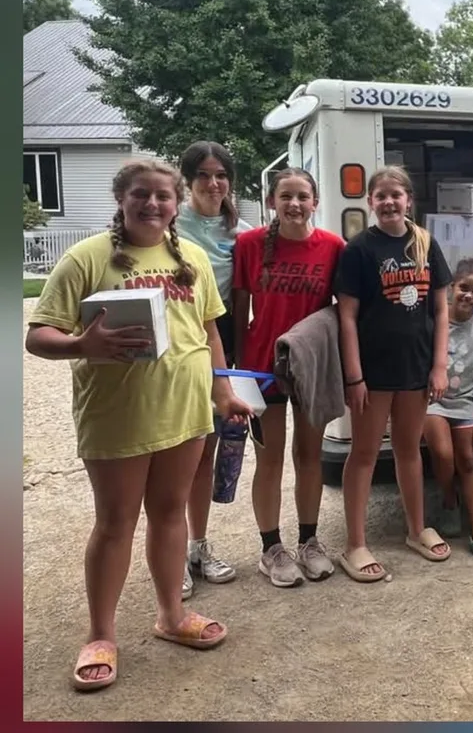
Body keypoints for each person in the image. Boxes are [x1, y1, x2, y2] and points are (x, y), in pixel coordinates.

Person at [25, 159, 252, 692]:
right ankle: (100, 634)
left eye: (162, 196)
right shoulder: (87, 258)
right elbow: (37, 335)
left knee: (171, 513)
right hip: (118, 417)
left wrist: (223, 389)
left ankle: (171, 616)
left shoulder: (190, 257)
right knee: (115, 523)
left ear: (177, 203)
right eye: (141, 195)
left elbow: (209, 332)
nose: (152, 204)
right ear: (121, 199)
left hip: (185, 410)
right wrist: (82, 344)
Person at [335, 165, 453, 582]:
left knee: (408, 450)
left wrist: (439, 365)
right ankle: (354, 544)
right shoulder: (358, 250)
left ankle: (416, 528)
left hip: (416, 368)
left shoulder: (425, 244)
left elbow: (440, 310)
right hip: (372, 371)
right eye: (380, 196)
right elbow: (346, 317)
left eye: (395, 195)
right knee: (365, 454)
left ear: (408, 200)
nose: (388, 202)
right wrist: (354, 376)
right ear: (370, 202)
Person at [232, 167, 345, 588]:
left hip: (311, 366)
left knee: (310, 457)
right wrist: (241, 373)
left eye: (303, 196)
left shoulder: (332, 246)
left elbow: (342, 310)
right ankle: (271, 549)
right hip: (262, 368)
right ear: (271, 201)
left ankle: (310, 541)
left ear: (315, 201)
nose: (295, 204)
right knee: (270, 459)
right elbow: (239, 308)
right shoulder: (249, 245)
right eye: (286, 196)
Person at [176, 140, 254, 601]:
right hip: (180, 336)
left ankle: (197, 546)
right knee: (178, 452)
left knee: (208, 450)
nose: (213, 183)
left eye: (221, 174)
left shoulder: (240, 231)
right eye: (203, 174)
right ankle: (170, 556)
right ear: (188, 180)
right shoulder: (169, 224)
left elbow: (244, 296)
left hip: (219, 335)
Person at [423, 258, 473, 564]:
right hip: (432, 401)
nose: (469, 296)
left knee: (468, 461)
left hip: (465, 403)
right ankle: (448, 499)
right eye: (463, 288)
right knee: (443, 454)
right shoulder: (434, 320)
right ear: (452, 288)